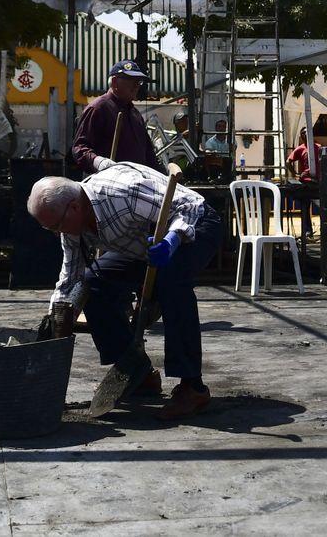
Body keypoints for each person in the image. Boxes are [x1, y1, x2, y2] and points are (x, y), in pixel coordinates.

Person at [28, 163, 223, 418]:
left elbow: (186, 208)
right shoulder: (72, 223)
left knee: (171, 282)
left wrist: (172, 240)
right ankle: (137, 371)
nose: (56, 233)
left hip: (195, 224)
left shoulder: (123, 194)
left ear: (74, 207)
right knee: (93, 283)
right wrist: (59, 315)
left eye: (55, 226)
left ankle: (193, 388)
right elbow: (70, 279)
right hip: (143, 244)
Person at [72, 60, 162, 175]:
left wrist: (164, 177)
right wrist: (98, 162)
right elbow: (79, 147)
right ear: (114, 82)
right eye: (131, 80)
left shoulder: (135, 114)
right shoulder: (99, 108)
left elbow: (149, 155)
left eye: (138, 81)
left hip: (136, 183)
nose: (136, 86)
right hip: (108, 185)